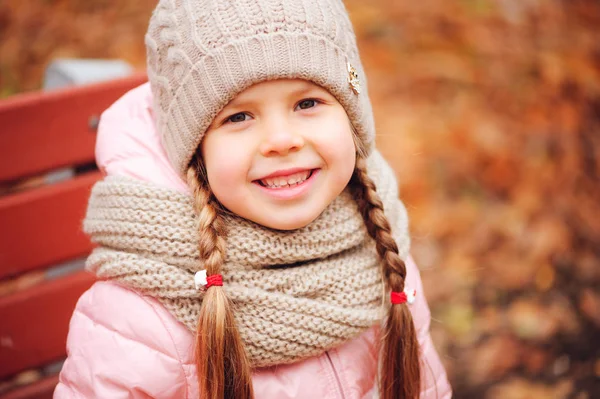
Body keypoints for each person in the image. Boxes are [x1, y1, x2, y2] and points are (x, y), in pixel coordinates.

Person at [54, 0, 452, 398]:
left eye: (307, 103)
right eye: (239, 117)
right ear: (196, 153)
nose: (281, 141)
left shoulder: (382, 251)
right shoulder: (141, 319)